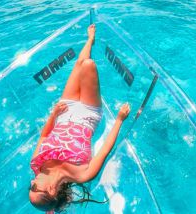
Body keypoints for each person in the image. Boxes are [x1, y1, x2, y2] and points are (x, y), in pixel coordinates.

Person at [29, 24, 130, 213]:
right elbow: (105, 149)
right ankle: (90, 43)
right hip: (88, 114)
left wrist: (54, 114)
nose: (32, 181)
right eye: (35, 187)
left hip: (64, 111)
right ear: (51, 190)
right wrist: (119, 120)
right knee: (88, 65)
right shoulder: (83, 175)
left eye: (30, 186)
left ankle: (90, 40)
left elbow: (43, 137)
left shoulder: (37, 164)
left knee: (78, 65)